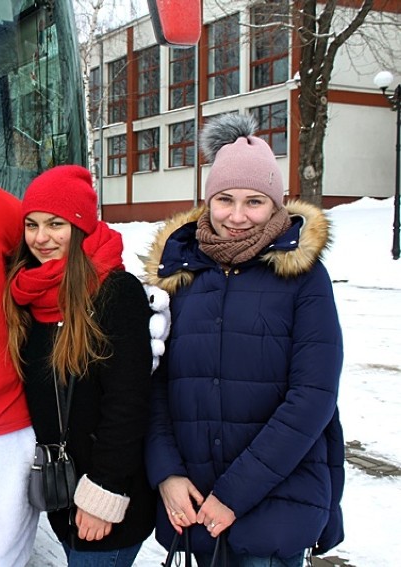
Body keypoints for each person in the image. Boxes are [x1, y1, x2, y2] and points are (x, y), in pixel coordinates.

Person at [144, 113, 345, 566]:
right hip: (195, 503)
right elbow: (156, 384)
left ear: (275, 205)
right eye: (225, 200)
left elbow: (312, 397)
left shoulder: (305, 278)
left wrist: (234, 494)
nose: (237, 216)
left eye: (254, 201)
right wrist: (168, 473)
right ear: (207, 201)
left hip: (273, 504)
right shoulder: (181, 275)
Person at [4, 165, 157, 567]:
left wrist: (103, 495)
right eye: (32, 224)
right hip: (62, 492)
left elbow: (128, 405)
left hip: (107, 500)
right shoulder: (28, 292)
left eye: (56, 224)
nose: (41, 238)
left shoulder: (113, 292)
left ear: (82, 225)